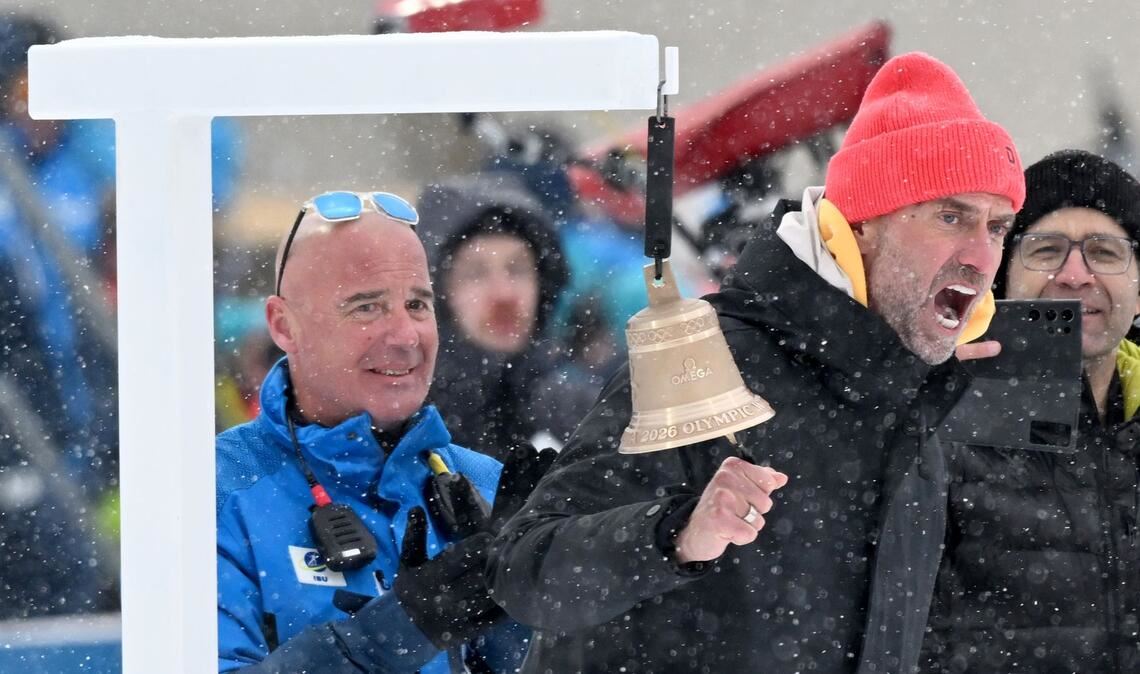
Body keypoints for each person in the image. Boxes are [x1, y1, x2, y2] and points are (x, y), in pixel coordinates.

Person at [488, 52, 1025, 673]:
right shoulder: (711, 355)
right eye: (950, 216)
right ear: (864, 225)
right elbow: (526, 569)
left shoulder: (931, 396)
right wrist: (678, 533)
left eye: (999, 226)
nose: (980, 254)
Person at [216, 191, 549, 672]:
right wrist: (398, 631)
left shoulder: (486, 484)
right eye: (366, 307)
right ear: (284, 325)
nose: (405, 335)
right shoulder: (217, 492)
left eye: (417, 304)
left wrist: (521, 614)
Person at [922, 150, 1140, 673]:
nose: (1074, 274)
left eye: (1105, 253)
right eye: (1045, 250)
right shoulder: (936, 414)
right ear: (1002, 278)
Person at [418, 174, 599, 453]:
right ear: (437, 294)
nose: (504, 295)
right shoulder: (408, 427)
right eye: (475, 274)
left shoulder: (581, 414)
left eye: (517, 269)